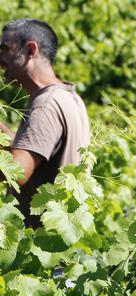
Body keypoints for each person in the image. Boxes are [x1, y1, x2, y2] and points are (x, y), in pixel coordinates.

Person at [0, 18, 90, 227]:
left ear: (31, 50)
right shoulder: (67, 96)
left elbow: (17, 172)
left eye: (4, 49)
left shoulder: (45, 105)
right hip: (55, 240)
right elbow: (34, 149)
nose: (0, 60)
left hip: (36, 244)